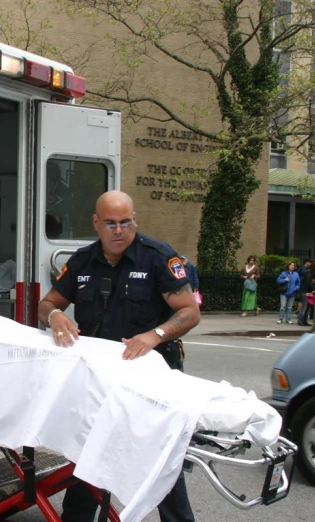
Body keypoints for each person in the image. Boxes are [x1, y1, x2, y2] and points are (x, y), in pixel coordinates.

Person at [38, 190, 201, 522]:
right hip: (100, 377)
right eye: (110, 223)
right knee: (90, 453)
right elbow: (47, 303)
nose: (118, 230)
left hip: (150, 374)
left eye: (125, 222)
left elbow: (189, 311)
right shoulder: (83, 261)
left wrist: (154, 335)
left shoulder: (157, 257)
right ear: (96, 223)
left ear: (135, 220)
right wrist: (55, 316)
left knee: (158, 458)